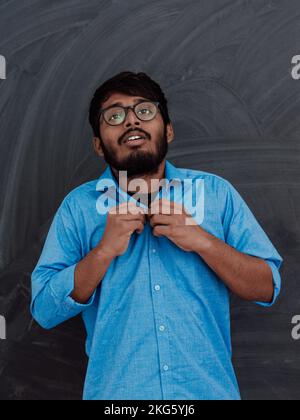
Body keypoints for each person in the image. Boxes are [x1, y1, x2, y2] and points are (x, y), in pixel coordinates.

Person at [31, 71, 283, 400]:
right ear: (97, 144)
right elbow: (45, 311)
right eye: (115, 115)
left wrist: (203, 242)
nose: (131, 122)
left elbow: (267, 286)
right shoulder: (78, 208)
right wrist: (103, 252)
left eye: (144, 111)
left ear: (168, 130)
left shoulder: (216, 195)